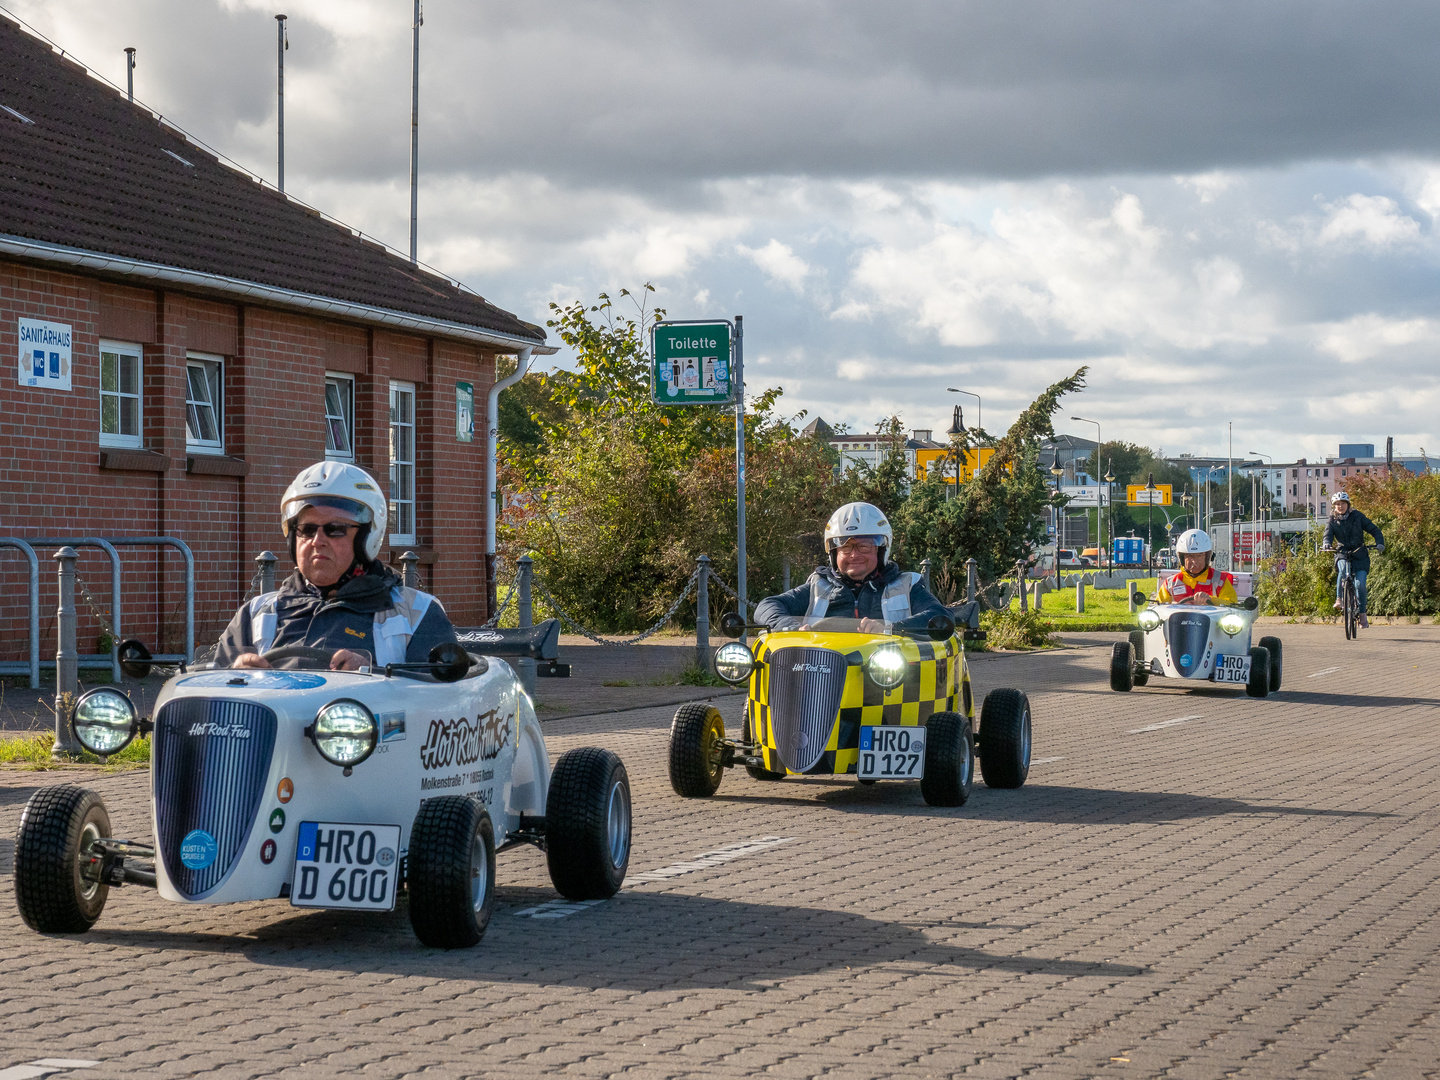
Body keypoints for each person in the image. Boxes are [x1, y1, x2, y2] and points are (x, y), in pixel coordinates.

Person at [212, 462, 458, 670]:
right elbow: (212, 702)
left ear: (367, 538)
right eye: (306, 530)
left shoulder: (416, 614)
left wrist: (374, 676)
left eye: (335, 530)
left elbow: (439, 704)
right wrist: (234, 677)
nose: (318, 541)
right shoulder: (256, 615)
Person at [754, 501, 948, 634]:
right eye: (845, 548)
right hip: (822, 678)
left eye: (864, 547)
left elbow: (940, 616)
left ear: (881, 551)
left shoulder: (907, 585)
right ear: (833, 554)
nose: (854, 555)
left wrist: (890, 628)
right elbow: (766, 607)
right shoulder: (818, 587)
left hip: (892, 685)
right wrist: (792, 627)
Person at [1323, 491, 1385, 629]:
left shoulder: (1357, 516)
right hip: (1342, 552)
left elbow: (1374, 530)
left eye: (1343, 503)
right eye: (1337, 504)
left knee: (1360, 585)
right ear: (1334, 506)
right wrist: (1326, 544)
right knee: (1343, 569)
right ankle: (1339, 599)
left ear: (1348, 505)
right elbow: (1327, 535)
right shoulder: (1332, 520)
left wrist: (1380, 542)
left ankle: (1362, 615)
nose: (1340, 506)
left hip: (1360, 554)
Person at [1156, 529, 1238, 606]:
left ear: (1207, 557)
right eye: (1189, 556)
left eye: (1199, 556)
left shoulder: (1220, 580)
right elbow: (1158, 607)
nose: (1194, 561)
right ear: (1182, 559)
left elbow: (1232, 605)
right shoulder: (1170, 583)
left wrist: (1211, 600)